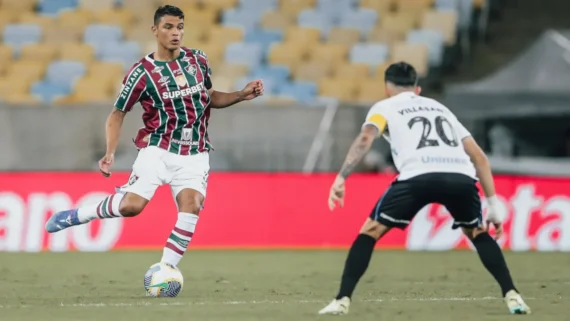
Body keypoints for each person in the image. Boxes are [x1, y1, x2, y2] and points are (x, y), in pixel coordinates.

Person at [45, 5, 264, 269]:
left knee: (191, 206)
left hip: (195, 153)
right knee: (131, 207)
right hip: (158, 149)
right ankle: (78, 215)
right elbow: (117, 113)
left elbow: (209, 97)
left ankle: (165, 270)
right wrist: (110, 151)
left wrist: (240, 94)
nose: (176, 33)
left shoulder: (198, 60)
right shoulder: (142, 72)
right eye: (169, 27)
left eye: (180, 27)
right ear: (155, 30)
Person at [318, 62, 531, 316]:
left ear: (387, 87)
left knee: (370, 232)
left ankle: (342, 300)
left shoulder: (384, 106)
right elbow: (480, 158)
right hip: (460, 177)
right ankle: (513, 295)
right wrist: (494, 207)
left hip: (417, 175)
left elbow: (366, 138)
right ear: (417, 89)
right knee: (477, 232)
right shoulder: (441, 108)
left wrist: (342, 177)